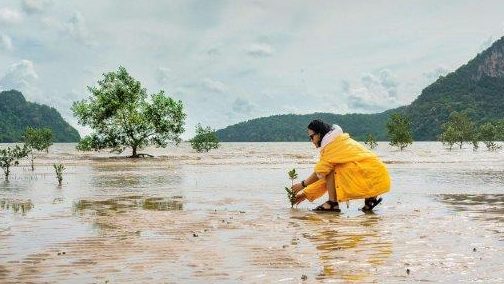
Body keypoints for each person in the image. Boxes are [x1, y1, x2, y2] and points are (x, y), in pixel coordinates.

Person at [291, 119, 391, 212]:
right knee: (334, 169)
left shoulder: (332, 146)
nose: (311, 141)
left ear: (320, 134)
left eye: (311, 137)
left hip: (372, 176)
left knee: (331, 170)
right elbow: (327, 179)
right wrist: (306, 194)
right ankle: (371, 198)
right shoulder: (338, 142)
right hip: (377, 176)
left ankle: (332, 203)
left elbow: (320, 173)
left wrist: (302, 185)